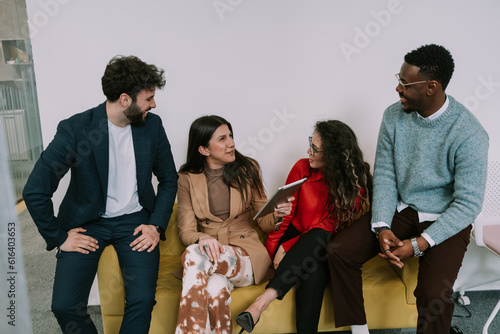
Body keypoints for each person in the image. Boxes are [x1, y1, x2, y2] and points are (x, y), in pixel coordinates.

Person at [327, 44, 489, 334]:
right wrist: (382, 226)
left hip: (446, 218)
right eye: (398, 79)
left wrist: (418, 245)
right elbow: (387, 175)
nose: (397, 88)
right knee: (340, 251)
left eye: (405, 83)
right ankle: (359, 329)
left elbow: (467, 204)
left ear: (431, 87)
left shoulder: (470, 133)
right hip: (404, 208)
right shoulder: (393, 116)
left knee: (433, 296)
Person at [22, 55, 178, 334]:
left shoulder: (152, 127)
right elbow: (35, 190)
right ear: (125, 99)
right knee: (65, 306)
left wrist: (155, 224)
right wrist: (58, 237)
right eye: (149, 98)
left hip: (135, 221)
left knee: (142, 299)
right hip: (87, 223)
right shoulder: (76, 129)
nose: (153, 104)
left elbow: (168, 179)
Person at [236, 120, 372, 333]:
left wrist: (289, 247)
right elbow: (286, 216)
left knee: (320, 240)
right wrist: (276, 247)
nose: (308, 151)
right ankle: (261, 305)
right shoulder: (301, 167)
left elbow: (328, 227)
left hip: (323, 243)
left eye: (315, 149)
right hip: (296, 240)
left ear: (333, 155)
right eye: (311, 143)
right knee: (312, 268)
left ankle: (261, 302)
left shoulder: (354, 185)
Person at [174, 115, 292, 334]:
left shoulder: (248, 169)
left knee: (193, 254)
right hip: (211, 257)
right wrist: (203, 237)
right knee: (214, 287)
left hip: (246, 255)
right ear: (204, 150)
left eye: (231, 136)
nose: (231, 143)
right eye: (222, 139)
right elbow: (187, 231)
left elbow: (265, 222)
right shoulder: (186, 179)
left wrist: (277, 214)